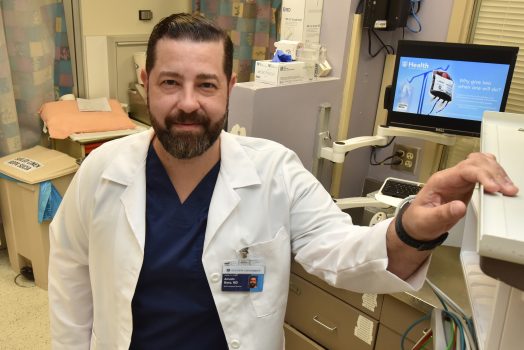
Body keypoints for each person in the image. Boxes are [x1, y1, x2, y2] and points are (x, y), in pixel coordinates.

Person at [48, 13, 518, 350]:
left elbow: (342, 251)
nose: (188, 103)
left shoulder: (276, 171)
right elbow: (70, 278)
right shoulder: (101, 171)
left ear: (229, 88)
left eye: (206, 85)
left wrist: (412, 228)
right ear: (145, 82)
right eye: (171, 82)